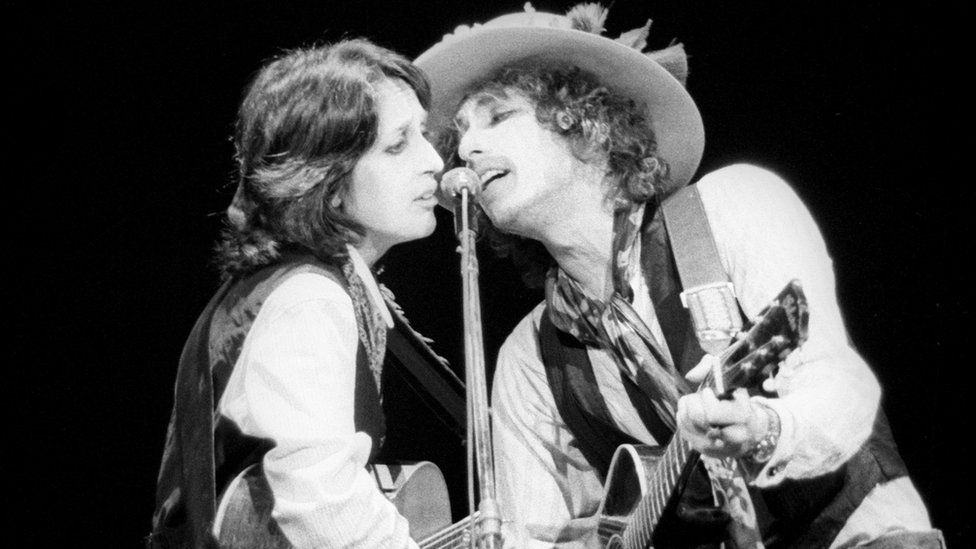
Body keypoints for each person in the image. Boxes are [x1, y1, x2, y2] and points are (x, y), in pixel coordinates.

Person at [416, 3, 941, 548]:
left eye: (498, 117)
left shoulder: (732, 208)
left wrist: (765, 429)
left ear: (589, 127)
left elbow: (839, 388)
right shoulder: (529, 359)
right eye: (461, 132)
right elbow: (533, 538)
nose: (467, 149)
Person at [148, 38, 457, 548]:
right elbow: (323, 503)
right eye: (398, 144)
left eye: (423, 134)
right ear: (327, 182)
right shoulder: (308, 300)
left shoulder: (320, 286)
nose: (435, 162)